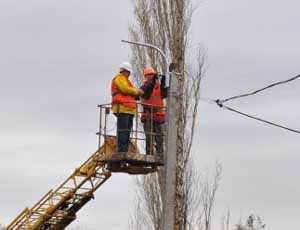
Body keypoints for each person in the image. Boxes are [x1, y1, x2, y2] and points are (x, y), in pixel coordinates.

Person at [111, 62, 144, 154]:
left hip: (128, 109)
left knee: (126, 131)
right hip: (122, 108)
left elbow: (131, 90)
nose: (129, 74)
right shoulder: (119, 78)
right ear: (125, 71)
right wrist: (137, 91)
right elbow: (125, 89)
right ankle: (122, 151)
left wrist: (137, 92)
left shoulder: (126, 80)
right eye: (128, 72)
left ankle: (124, 150)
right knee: (123, 131)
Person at [140, 67, 168, 157]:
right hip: (148, 115)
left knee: (159, 137)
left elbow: (164, 94)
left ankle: (160, 154)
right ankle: (149, 154)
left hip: (157, 116)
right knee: (149, 137)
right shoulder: (143, 88)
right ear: (145, 77)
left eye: (151, 75)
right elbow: (147, 94)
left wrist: (163, 82)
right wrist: (153, 82)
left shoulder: (159, 88)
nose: (150, 77)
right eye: (148, 75)